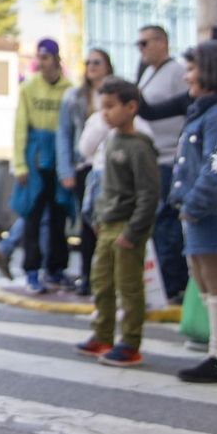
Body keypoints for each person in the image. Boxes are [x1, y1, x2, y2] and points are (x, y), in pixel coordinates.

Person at [168, 41, 217, 384]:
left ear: (211, 71)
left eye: (192, 68)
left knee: (216, 280)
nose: (187, 76)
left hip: (210, 213)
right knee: (202, 276)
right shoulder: (204, 110)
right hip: (196, 212)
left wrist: (194, 205)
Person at [75, 78, 160, 368]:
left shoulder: (139, 146)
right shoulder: (110, 140)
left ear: (131, 107)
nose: (105, 114)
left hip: (127, 227)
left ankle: (130, 342)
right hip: (106, 225)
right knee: (102, 282)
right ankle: (103, 334)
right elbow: (106, 187)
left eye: (111, 107)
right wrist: (98, 218)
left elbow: (149, 194)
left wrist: (134, 231)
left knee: (129, 287)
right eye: (102, 107)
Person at [10, 39, 75, 294]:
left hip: (61, 159)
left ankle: (56, 269)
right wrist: (20, 164)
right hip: (35, 159)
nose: (42, 62)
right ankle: (32, 271)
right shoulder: (29, 87)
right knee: (32, 217)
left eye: (46, 57)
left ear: (57, 59)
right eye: (40, 57)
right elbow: (19, 127)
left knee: (59, 217)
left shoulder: (70, 89)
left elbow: (72, 128)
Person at [134, 25, 189, 303]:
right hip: (152, 158)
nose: (140, 49)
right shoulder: (148, 72)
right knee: (157, 223)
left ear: (161, 42)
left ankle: (172, 282)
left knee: (167, 223)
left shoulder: (177, 72)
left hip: (169, 157)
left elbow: (182, 111)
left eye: (144, 43)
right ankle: (163, 283)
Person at [60, 49, 112, 292]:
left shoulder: (117, 92)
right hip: (85, 166)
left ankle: (106, 278)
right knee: (88, 221)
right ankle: (87, 276)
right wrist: (66, 170)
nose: (92, 66)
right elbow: (65, 134)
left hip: (113, 165)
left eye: (97, 62)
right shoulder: (74, 96)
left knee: (110, 223)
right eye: (88, 62)